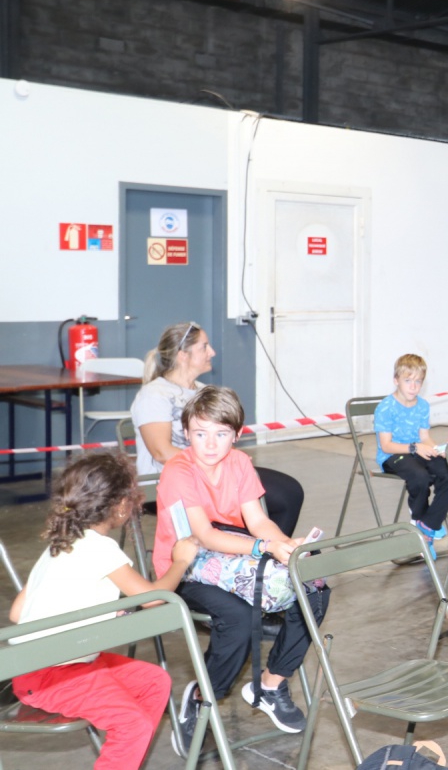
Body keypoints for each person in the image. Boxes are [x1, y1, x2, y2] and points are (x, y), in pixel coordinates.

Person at [154, 386, 327, 751]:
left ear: (236, 434)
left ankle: (270, 683)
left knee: (314, 588)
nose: (210, 444)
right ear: (185, 432)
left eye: (221, 434)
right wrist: (266, 547)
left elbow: (258, 521)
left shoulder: (239, 463)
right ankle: (202, 698)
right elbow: (204, 535)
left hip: (231, 558)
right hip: (183, 568)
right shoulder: (178, 471)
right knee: (238, 618)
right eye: (200, 433)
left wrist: (285, 546)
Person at [10, 454, 198, 769]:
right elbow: (154, 599)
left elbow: (18, 613)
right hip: (52, 672)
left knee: (154, 681)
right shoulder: (99, 547)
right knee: (132, 724)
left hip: (45, 665)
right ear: (121, 504)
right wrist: (181, 560)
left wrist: (101, 612)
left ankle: (123, 761)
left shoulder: (62, 542)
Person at [130, 321, 305, 536]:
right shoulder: (154, 395)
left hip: (214, 470)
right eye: (204, 347)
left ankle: (264, 550)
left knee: (289, 492)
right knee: (274, 498)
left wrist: (232, 466)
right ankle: (243, 547)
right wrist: (218, 469)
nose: (212, 352)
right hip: (166, 480)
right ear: (183, 355)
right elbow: (161, 452)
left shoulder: (204, 392)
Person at [375, 353, 448, 558]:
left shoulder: (422, 405)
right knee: (420, 476)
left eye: (418, 381)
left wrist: (439, 449)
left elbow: (425, 438)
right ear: (396, 380)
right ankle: (420, 522)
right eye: (408, 381)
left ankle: (428, 525)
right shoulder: (385, 407)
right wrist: (414, 448)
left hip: (417, 450)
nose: (413, 386)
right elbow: (386, 445)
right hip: (393, 455)